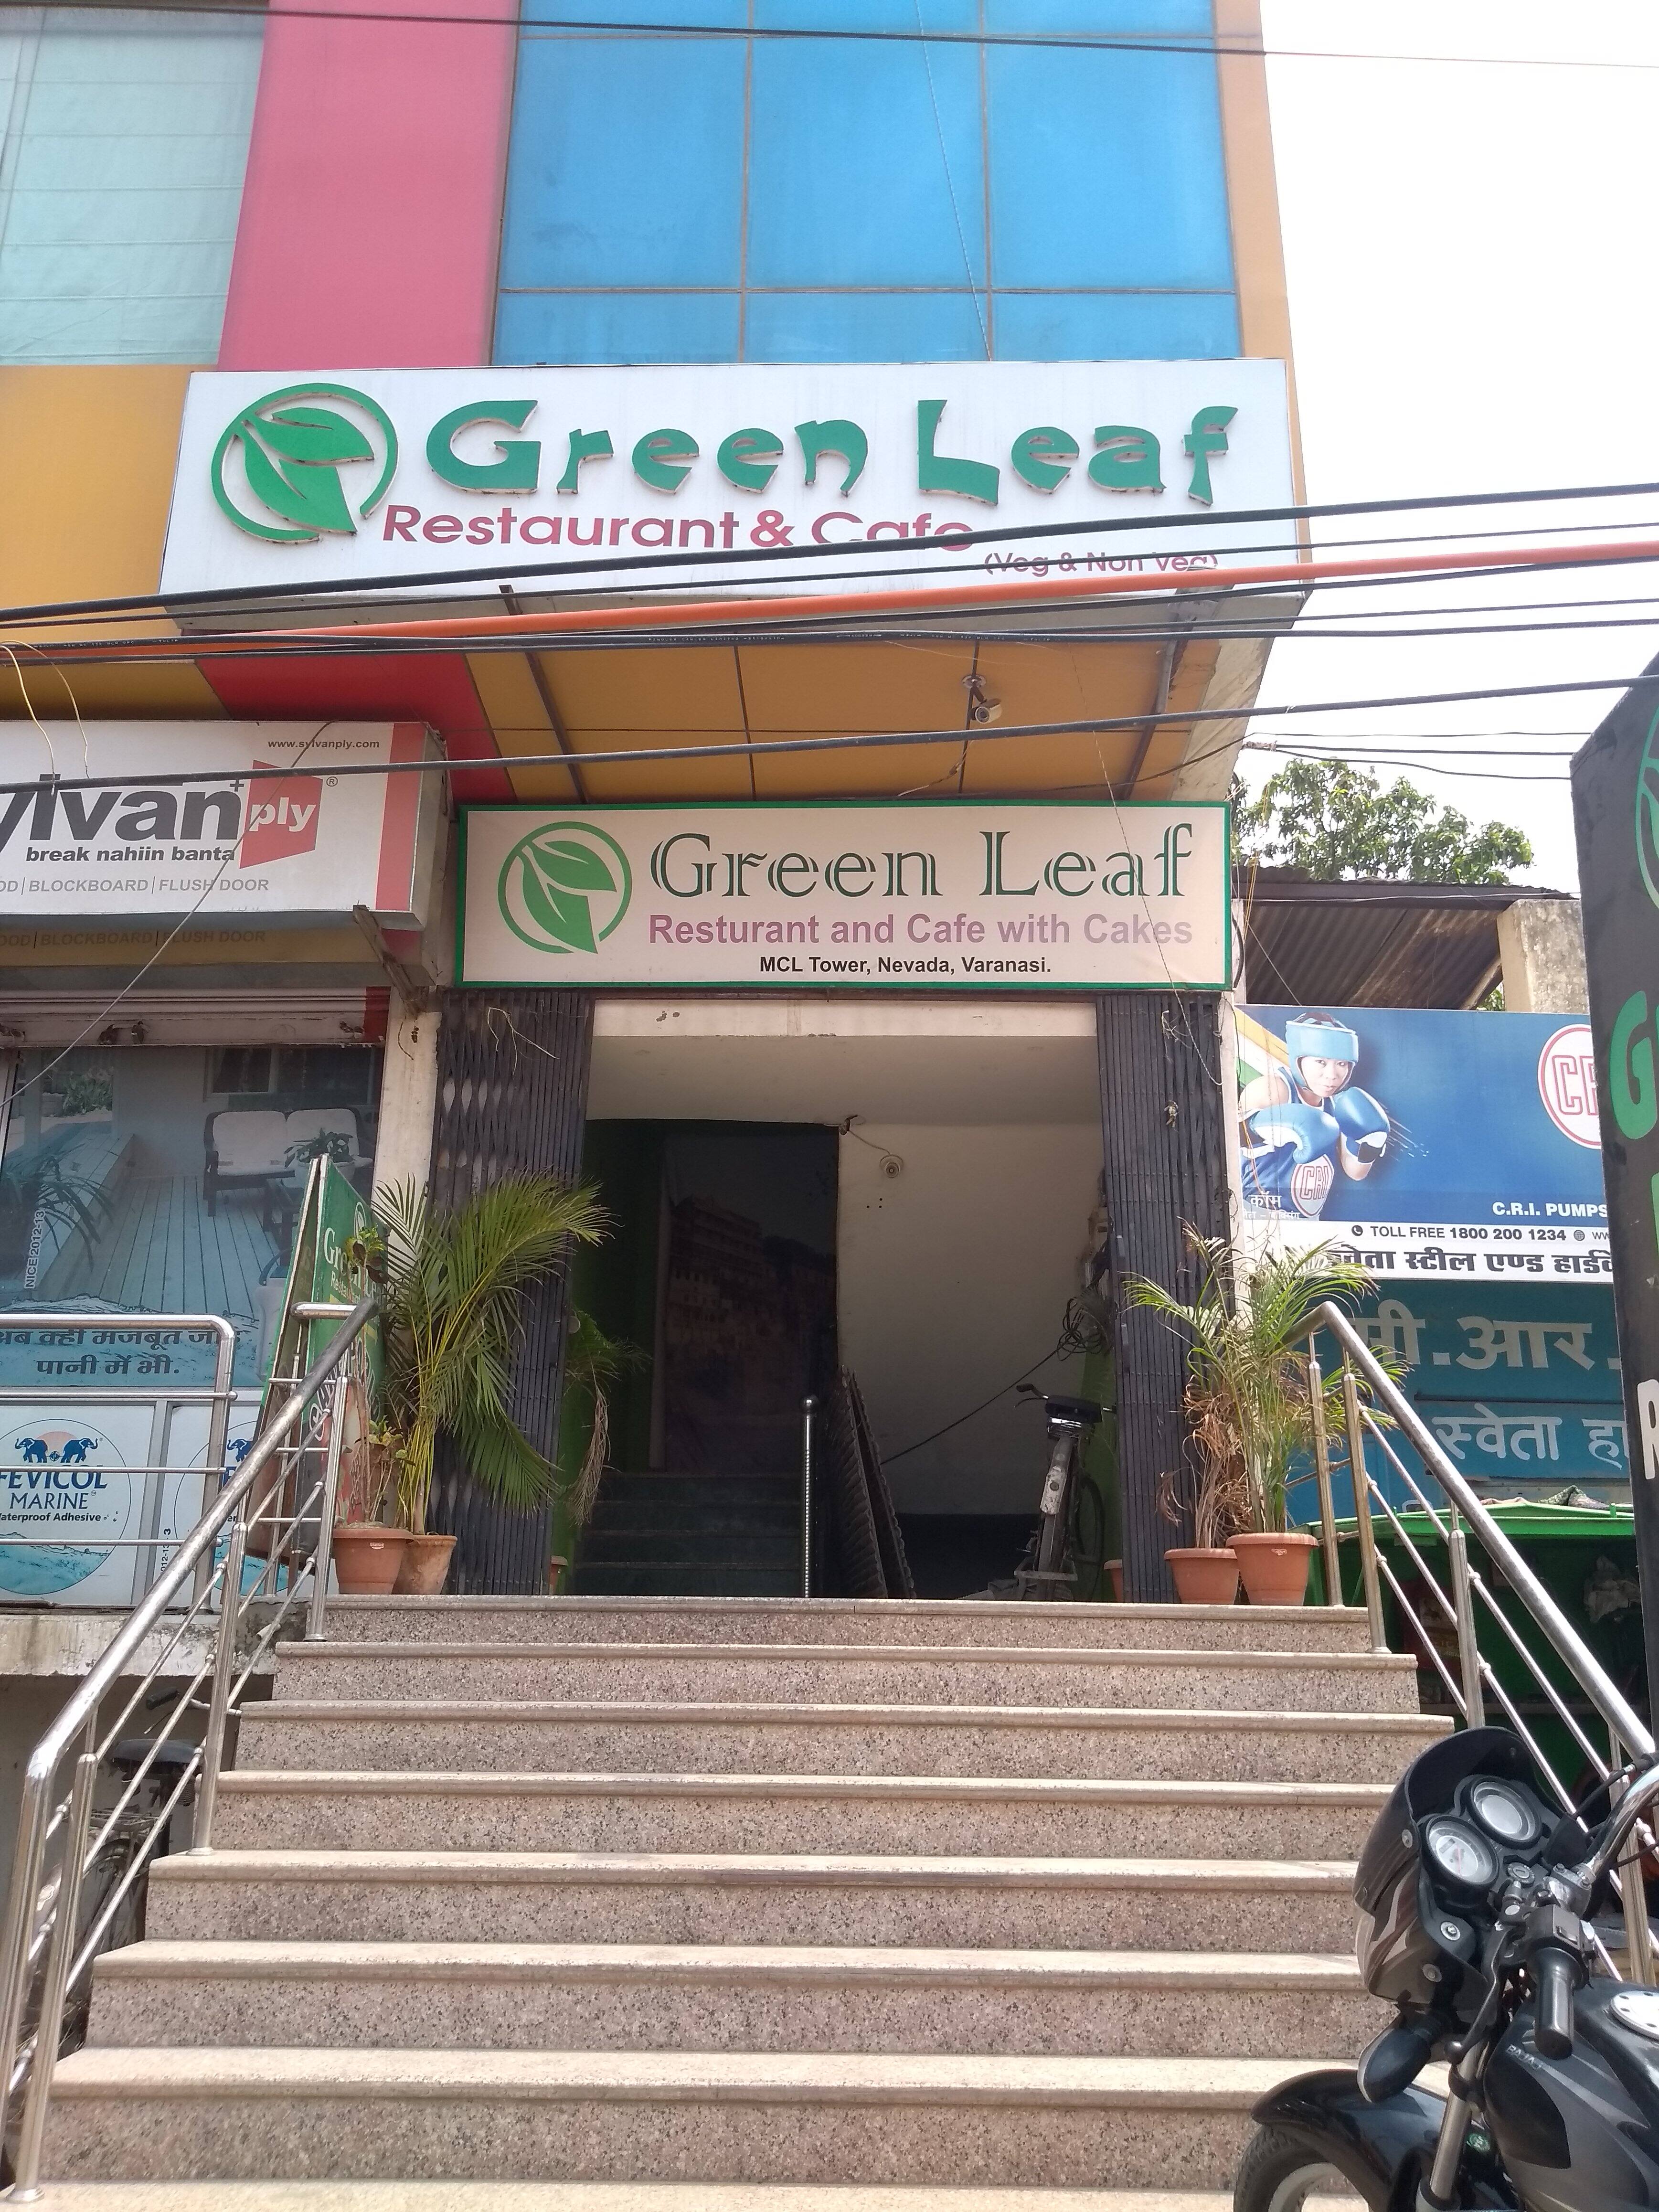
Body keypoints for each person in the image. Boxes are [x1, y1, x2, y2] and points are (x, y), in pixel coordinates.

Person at [1239, 1011, 1391, 1218]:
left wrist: (1370, 1143)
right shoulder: (1274, 1088)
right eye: (1321, 1062)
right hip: (1255, 1217)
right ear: (1299, 1060)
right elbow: (1232, 1139)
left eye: (1342, 1064)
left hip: (1309, 1224)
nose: (1332, 1075)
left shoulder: (1339, 1106)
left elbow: (1356, 1172)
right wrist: (1261, 1126)